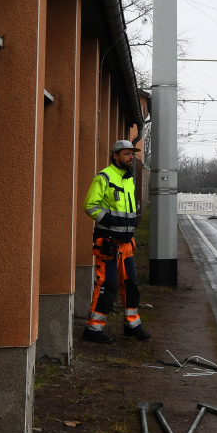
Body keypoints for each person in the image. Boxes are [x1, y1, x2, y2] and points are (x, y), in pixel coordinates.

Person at [81, 140, 151, 343]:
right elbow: (90, 206)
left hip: (126, 242)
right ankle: (93, 329)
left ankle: (132, 325)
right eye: (127, 154)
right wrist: (113, 223)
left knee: (131, 284)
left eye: (132, 154)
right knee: (108, 284)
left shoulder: (128, 180)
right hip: (108, 241)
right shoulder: (104, 177)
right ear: (115, 156)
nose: (131, 157)